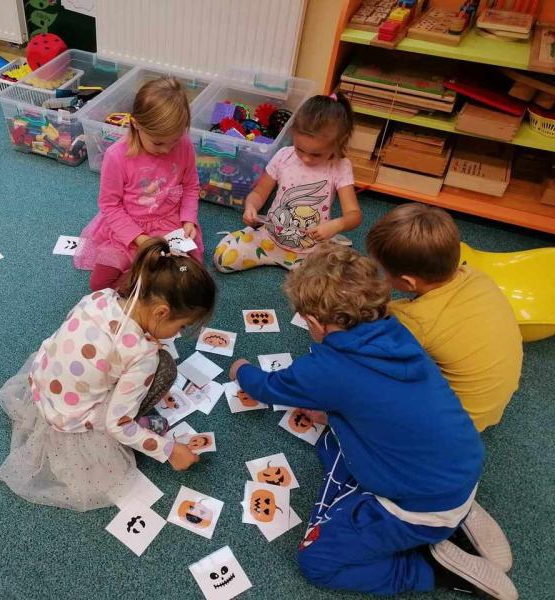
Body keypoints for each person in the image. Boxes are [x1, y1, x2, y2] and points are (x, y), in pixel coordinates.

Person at [229, 244, 516, 599]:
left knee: (316, 562)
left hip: (419, 503)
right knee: (332, 437)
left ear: (314, 323)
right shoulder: (398, 330)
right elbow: (377, 397)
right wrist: (332, 412)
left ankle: (432, 565)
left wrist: (241, 369)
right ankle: (458, 513)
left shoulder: (324, 369)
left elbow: (268, 387)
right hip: (461, 466)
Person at [0, 238, 216, 511]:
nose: (178, 334)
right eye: (181, 326)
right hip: (73, 420)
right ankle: (137, 420)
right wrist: (168, 450)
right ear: (161, 312)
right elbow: (117, 425)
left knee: (125, 365)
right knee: (166, 367)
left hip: (44, 387)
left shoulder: (100, 297)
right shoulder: (143, 355)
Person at [367, 203, 523, 431]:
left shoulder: (414, 320)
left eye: (384, 272)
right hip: (491, 404)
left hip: (454, 425)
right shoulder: (476, 276)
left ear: (408, 282)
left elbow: (374, 350)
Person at [74, 77, 204, 290]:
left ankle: (149, 279)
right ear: (136, 124)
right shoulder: (116, 156)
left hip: (169, 226)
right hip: (128, 231)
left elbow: (191, 186)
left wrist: (189, 220)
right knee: (99, 284)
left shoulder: (184, 145)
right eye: (158, 142)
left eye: (174, 141)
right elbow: (110, 206)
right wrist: (139, 238)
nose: (166, 149)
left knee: (188, 277)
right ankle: (145, 279)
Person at [214, 94, 362, 272]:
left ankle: (329, 246)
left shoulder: (340, 166)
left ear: (338, 144)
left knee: (343, 278)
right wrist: (251, 207)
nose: (306, 158)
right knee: (222, 258)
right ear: (293, 134)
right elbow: (259, 193)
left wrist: (336, 225)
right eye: (300, 149)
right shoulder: (284, 155)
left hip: (311, 249)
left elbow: (354, 215)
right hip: (270, 238)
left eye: (316, 154)